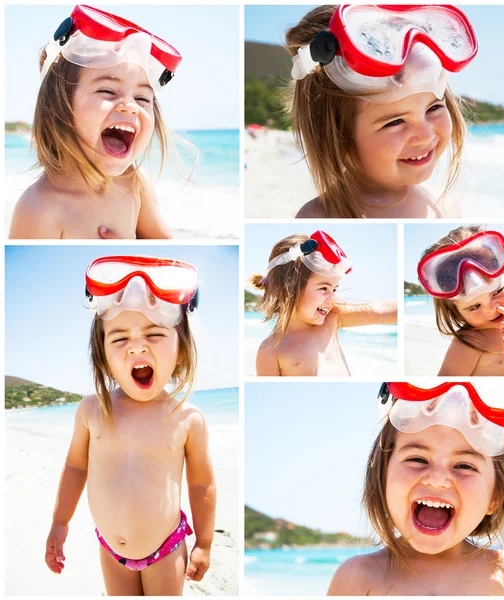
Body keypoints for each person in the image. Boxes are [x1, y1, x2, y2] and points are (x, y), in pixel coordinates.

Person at [44, 256, 216, 596]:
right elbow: (75, 467)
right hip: (111, 551)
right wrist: (60, 522)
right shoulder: (93, 410)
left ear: (181, 351)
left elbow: (201, 484)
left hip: (166, 551)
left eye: (154, 333)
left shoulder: (186, 418)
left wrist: (205, 542)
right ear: (103, 354)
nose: (137, 345)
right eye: (120, 339)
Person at [328, 381, 504, 595]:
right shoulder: (358, 577)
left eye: (464, 466)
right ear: (382, 476)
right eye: (418, 459)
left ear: (496, 496)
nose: (437, 479)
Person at [10, 5, 186, 239]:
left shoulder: (134, 183)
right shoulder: (40, 208)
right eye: (107, 91)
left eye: (142, 97)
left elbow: (164, 251)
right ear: (56, 108)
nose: (130, 106)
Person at [285, 5, 477, 218]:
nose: (425, 135)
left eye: (433, 108)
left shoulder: (445, 208)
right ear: (338, 135)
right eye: (395, 122)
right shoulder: (318, 216)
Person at [417, 225, 504, 375]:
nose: (491, 309)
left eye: (497, 292)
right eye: (474, 307)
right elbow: (444, 385)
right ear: (456, 313)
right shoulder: (470, 343)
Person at [250, 230, 397, 375]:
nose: (332, 298)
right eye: (323, 288)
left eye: (334, 289)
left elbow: (381, 310)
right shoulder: (270, 350)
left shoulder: (333, 317)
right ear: (287, 288)